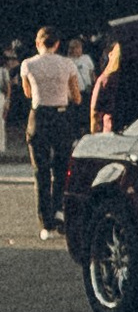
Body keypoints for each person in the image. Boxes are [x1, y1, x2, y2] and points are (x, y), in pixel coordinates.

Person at [21, 29, 84, 232]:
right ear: (57, 44)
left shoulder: (28, 64)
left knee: (40, 170)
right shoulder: (67, 64)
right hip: (61, 117)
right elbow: (77, 97)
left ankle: (44, 218)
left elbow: (28, 93)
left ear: (38, 43)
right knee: (61, 167)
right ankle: (59, 210)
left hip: (39, 117)